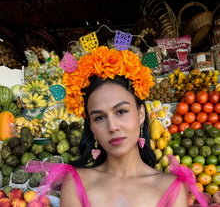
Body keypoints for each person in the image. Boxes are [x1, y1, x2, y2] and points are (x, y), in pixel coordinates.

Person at [24, 46, 208, 207]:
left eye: (121, 112)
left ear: (141, 114)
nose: (112, 127)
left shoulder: (172, 188)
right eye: (99, 118)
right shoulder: (76, 184)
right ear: (91, 127)